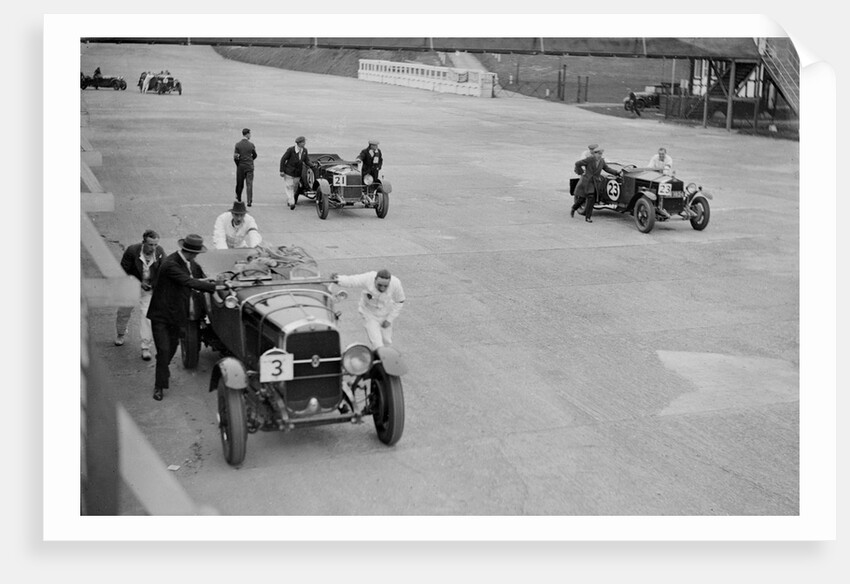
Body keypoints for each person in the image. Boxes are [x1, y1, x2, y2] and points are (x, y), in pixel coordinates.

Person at [146, 234, 217, 401]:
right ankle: (159, 386)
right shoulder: (170, 264)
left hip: (177, 314)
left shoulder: (188, 262)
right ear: (192, 253)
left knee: (171, 347)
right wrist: (216, 287)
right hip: (161, 315)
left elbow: (193, 278)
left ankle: (163, 368)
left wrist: (206, 280)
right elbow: (188, 282)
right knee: (163, 351)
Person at [115, 229, 165, 361]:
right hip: (131, 287)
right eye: (150, 245)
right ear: (143, 243)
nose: (153, 248)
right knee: (123, 312)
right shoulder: (132, 251)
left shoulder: (159, 252)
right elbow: (123, 271)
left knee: (147, 316)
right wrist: (138, 283)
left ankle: (145, 347)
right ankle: (120, 333)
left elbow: (164, 270)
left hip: (148, 290)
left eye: (155, 245)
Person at [331, 269, 405, 349]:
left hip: (386, 313)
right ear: (375, 280)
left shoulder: (396, 283)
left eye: (385, 286)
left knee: (386, 341)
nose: (382, 288)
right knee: (377, 343)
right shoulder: (368, 278)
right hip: (369, 313)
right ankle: (380, 355)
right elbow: (353, 280)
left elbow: (400, 301)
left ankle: (385, 357)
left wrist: (389, 319)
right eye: (379, 285)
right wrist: (338, 279)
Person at [571, 144, 621, 223]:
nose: (600, 155)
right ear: (594, 153)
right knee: (583, 197)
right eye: (598, 154)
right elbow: (577, 163)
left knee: (591, 198)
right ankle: (574, 208)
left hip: (595, 182)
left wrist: (616, 172)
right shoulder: (589, 159)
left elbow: (607, 168)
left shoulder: (601, 161)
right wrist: (581, 172)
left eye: (601, 154)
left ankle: (588, 217)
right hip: (586, 181)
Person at [279, 136, 310, 210]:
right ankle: (292, 203)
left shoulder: (305, 150)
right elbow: (283, 159)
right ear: (299, 143)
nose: (304, 143)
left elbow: (306, 161)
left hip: (298, 173)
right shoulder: (291, 150)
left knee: (295, 187)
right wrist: (281, 170)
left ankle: (290, 199)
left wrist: (312, 165)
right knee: (289, 187)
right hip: (289, 172)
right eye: (303, 142)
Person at [233, 128, 257, 206]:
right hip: (249, 166)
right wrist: (250, 160)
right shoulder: (251, 145)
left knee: (240, 183)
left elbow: (236, 157)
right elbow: (255, 155)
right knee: (249, 184)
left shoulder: (238, 145)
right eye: (250, 134)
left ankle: (239, 197)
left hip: (241, 166)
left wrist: (238, 164)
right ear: (247, 134)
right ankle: (249, 201)